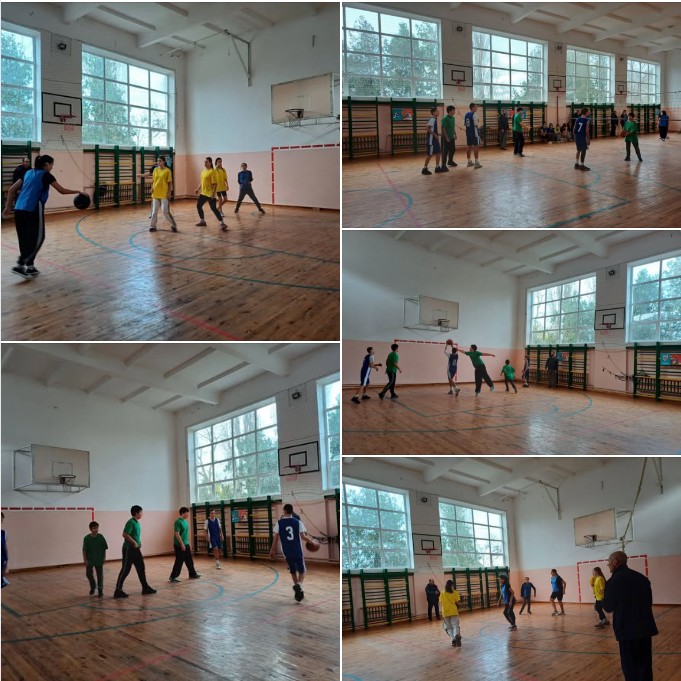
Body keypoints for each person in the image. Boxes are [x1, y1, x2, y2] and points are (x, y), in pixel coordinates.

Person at [2, 155, 86, 279]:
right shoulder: (46, 175)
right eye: (51, 165)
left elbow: (11, 190)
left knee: (24, 239)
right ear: (46, 164)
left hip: (19, 209)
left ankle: (30, 267)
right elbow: (61, 190)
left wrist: (8, 207)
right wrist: (78, 191)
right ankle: (20, 265)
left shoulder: (27, 173)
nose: (52, 167)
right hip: (33, 209)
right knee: (38, 238)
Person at [602, 551, 658, 681]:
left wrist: (602, 600)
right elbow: (649, 602)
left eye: (609, 562)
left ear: (615, 562)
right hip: (645, 628)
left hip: (627, 630)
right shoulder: (642, 578)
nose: (608, 565)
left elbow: (608, 607)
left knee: (630, 666)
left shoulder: (613, 581)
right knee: (645, 665)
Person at [269, 503, 316, 602]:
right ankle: (299, 585)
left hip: (286, 551)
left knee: (293, 570)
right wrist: (313, 542)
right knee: (303, 571)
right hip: (297, 550)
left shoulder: (279, 523)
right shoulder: (298, 522)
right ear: (292, 511)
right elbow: (303, 537)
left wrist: (272, 550)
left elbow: (275, 538)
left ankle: (298, 591)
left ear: (284, 511)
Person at [113, 505, 157, 598]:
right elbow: (125, 534)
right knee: (126, 569)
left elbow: (135, 535)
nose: (142, 514)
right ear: (136, 513)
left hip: (135, 549)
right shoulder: (130, 522)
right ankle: (118, 590)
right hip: (128, 549)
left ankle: (145, 588)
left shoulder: (136, 522)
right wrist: (133, 542)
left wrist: (138, 543)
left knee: (141, 567)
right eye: (141, 512)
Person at [142, 155, 177, 233]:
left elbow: (169, 183)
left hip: (164, 194)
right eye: (158, 161)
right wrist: (152, 187)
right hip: (156, 193)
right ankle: (152, 226)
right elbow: (154, 180)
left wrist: (169, 193)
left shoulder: (167, 171)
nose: (158, 162)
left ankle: (173, 225)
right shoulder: (155, 170)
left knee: (165, 210)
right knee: (154, 211)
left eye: (160, 161)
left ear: (164, 161)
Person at [169, 506, 201, 582]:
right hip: (179, 545)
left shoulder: (185, 522)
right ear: (183, 513)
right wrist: (182, 544)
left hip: (186, 544)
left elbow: (185, 534)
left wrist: (186, 543)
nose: (188, 514)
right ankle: (173, 576)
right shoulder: (178, 522)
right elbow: (177, 534)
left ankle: (192, 574)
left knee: (189, 560)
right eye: (187, 513)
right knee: (179, 561)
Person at [195, 157, 226, 230]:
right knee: (199, 206)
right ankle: (202, 221)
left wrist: (213, 194)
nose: (205, 163)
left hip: (210, 194)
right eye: (204, 162)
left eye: (206, 162)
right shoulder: (203, 171)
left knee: (213, 208)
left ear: (210, 163)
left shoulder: (212, 172)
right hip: (203, 193)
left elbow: (215, 184)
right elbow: (202, 181)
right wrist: (198, 189)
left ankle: (222, 223)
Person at [83, 521, 108, 597]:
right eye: (94, 528)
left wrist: (104, 557)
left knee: (100, 575)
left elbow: (104, 548)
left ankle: (100, 590)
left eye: (97, 528)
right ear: (90, 529)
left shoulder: (101, 537)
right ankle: (93, 586)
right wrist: (85, 559)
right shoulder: (87, 538)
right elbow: (84, 550)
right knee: (88, 574)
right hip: (90, 559)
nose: (96, 529)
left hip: (99, 559)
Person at [439, 579, 462, 646]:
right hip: (453, 611)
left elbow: (440, 603)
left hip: (445, 612)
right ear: (452, 585)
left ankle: (453, 639)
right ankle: (456, 635)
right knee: (455, 625)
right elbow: (458, 602)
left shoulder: (442, 593)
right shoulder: (455, 592)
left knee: (449, 627)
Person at [422, 107, 441, 175]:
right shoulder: (432, 119)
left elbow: (433, 130)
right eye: (437, 111)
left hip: (435, 140)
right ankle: (424, 168)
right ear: (433, 112)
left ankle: (437, 167)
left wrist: (438, 134)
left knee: (438, 153)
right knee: (430, 155)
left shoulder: (434, 119)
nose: (438, 112)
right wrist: (435, 135)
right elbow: (427, 128)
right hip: (431, 141)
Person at [464, 103, 482, 169]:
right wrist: (477, 121)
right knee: (476, 147)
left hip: (468, 133)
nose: (476, 108)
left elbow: (465, 124)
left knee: (469, 146)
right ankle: (476, 163)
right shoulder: (474, 114)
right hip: (474, 133)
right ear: (472, 108)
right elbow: (476, 125)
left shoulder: (466, 114)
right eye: (475, 107)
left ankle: (469, 162)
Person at [573, 107, 591, 171]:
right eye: (588, 111)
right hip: (582, 136)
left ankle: (576, 164)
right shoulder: (587, 120)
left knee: (578, 150)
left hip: (577, 136)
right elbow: (587, 131)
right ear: (586, 112)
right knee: (583, 151)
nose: (589, 112)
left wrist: (575, 137)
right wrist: (588, 139)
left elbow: (574, 129)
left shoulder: (577, 119)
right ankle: (582, 165)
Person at [440, 105, 457, 170]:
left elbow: (453, 127)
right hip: (445, 138)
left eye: (454, 110)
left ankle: (450, 161)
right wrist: (446, 137)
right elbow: (443, 128)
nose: (454, 111)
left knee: (453, 149)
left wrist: (455, 134)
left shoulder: (453, 118)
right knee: (445, 151)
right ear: (449, 111)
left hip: (451, 137)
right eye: (453, 110)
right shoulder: (445, 118)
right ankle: (443, 165)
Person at [1, 513, 8, 588]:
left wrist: (6, 559)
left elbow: (5, 546)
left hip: (2, 559)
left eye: (1, 520)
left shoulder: (4, 533)